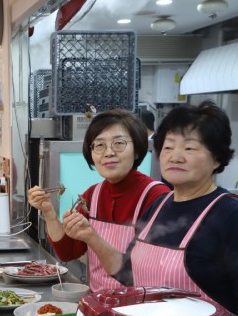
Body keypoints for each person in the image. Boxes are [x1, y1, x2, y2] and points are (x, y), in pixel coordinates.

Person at [68, 101, 238, 315]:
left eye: (189, 148)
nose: (175, 156)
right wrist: (91, 236)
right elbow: (127, 272)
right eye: (168, 147)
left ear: (217, 157)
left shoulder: (232, 214)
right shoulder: (159, 206)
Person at [28, 109, 168, 292]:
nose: (108, 153)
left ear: (137, 150)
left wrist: (92, 237)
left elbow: (150, 271)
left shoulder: (156, 196)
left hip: (139, 307)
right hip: (98, 303)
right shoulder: (92, 196)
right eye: (99, 145)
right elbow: (67, 253)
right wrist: (48, 212)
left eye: (119, 143)